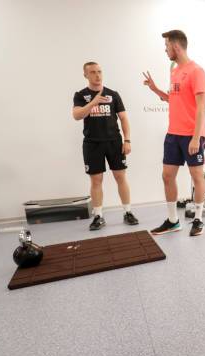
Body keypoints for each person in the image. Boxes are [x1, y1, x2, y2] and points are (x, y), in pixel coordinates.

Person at [143, 29, 205, 236]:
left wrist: (196, 137)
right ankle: (173, 221)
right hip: (173, 133)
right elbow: (174, 100)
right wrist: (155, 89)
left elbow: (201, 107)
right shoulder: (175, 71)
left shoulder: (197, 71)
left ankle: (198, 219)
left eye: (167, 46)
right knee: (167, 175)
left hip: (192, 134)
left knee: (196, 175)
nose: (165, 50)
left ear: (176, 46)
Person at [72, 62, 139, 231]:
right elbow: (77, 116)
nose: (97, 75)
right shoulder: (80, 95)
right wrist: (93, 102)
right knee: (96, 180)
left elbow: (123, 118)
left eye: (99, 71)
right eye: (93, 72)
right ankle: (98, 216)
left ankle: (128, 212)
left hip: (114, 142)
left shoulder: (113, 94)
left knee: (120, 176)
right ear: (85, 75)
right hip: (92, 143)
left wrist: (127, 140)